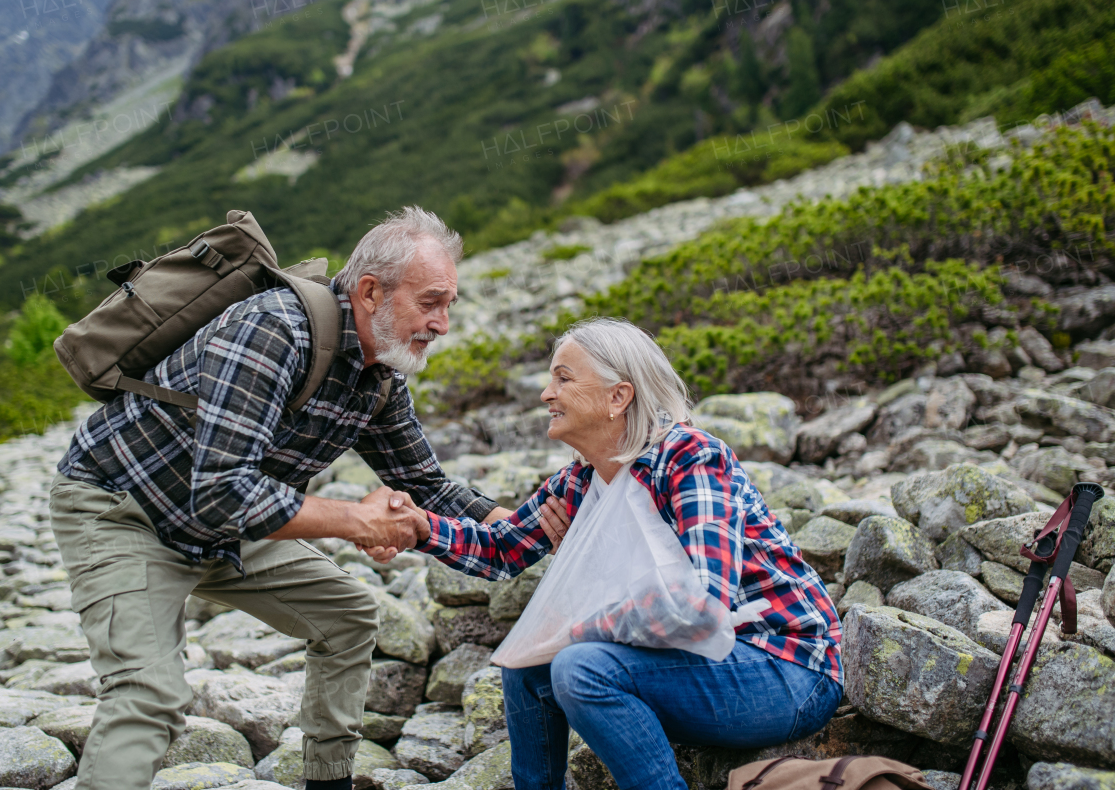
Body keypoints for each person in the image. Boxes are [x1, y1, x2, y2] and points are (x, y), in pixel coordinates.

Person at [48, 207, 543, 790]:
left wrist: (524, 525)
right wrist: (354, 521)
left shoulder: (378, 374)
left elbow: (427, 486)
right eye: (430, 302)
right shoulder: (272, 329)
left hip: (222, 526)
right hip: (123, 508)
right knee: (146, 693)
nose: (442, 324)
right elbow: (223, 490)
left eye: (449, 306)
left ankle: (326, 783)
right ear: (369, 292)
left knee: (349, 618)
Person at [378, 317, 843, 790]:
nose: (545, 394)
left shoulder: (688, 457)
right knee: (527, 660)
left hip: (786, 666)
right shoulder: (580, 481)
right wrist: (419, 528)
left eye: (563, 378)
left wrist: (581, 626)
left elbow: (706, 600)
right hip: (706, 663)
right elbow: (500, 551)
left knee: (579, 665)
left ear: (618, 397)